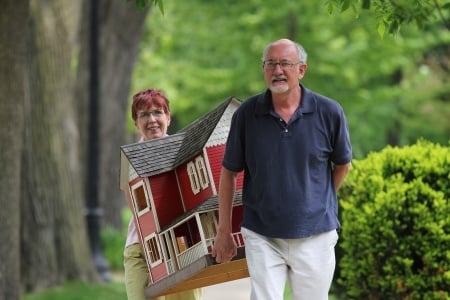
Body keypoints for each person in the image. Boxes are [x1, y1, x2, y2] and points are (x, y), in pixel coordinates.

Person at [212, 38, 352, 300]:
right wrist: (223, 231)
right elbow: (229, 173)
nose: (277, 70)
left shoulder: (330, 112)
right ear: (263, 69)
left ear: (301, 70)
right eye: (271, 64)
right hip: (262, 234)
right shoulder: (246, 114)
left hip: (316, 235)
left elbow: (343, 164)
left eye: (285, 63)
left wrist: (317, 198)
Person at [124, 88, 203, 300]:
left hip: (181, 245)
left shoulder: (184, 150)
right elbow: (139, 214)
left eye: (158, 112)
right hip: (141, 249)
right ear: (135, 122)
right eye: (144, 114)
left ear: (168, 116)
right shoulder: (130, 160)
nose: (152, 119)